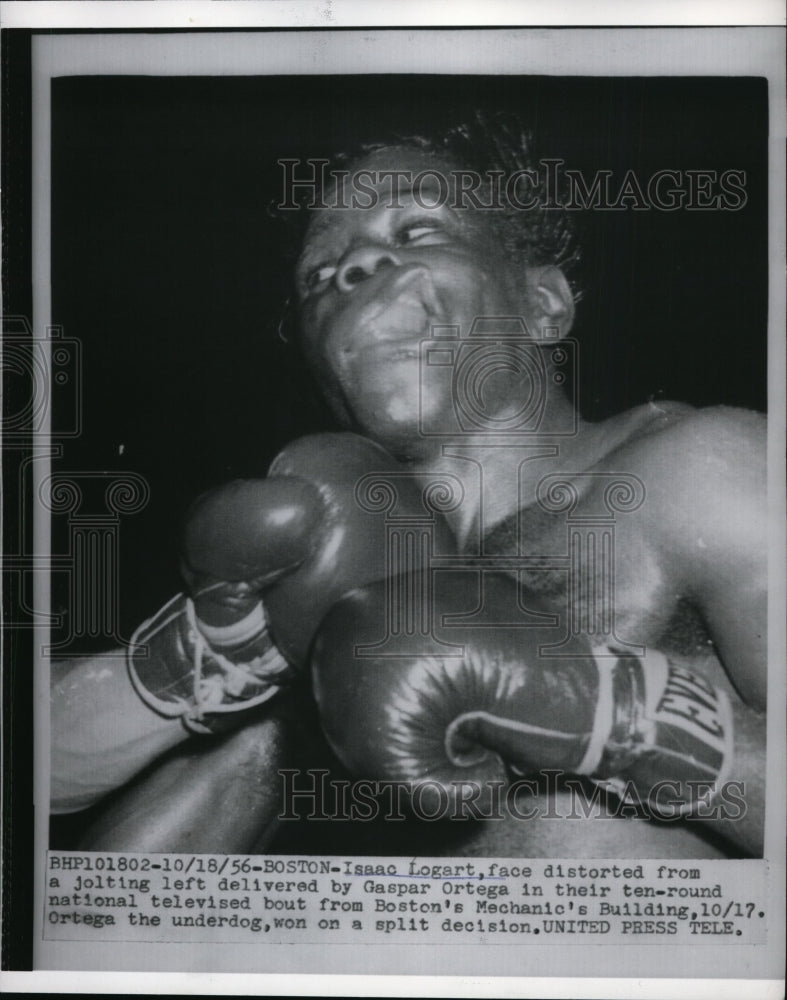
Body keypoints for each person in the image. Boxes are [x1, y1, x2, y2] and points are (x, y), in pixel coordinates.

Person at [50, 114, 766, 858]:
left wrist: (624, 717)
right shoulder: (316, 575)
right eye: (319, 277)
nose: (354, 266)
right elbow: (101, 894)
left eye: (417, 231)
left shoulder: (696, 468)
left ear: (542, 305)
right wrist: (210, 658)